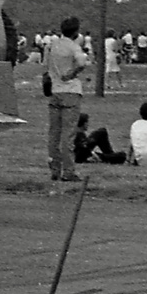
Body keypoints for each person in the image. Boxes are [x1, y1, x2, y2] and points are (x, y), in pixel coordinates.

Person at [44, 16, 89, 182]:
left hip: (54, 91)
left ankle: (54, 169)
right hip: (70, 91)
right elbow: (82, 62)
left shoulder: (52, 46)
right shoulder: (74, 46)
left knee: (54, 133)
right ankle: (69, 171)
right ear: (76, 32)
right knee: (68, 135)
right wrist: (72, 73)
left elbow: (45, 67)